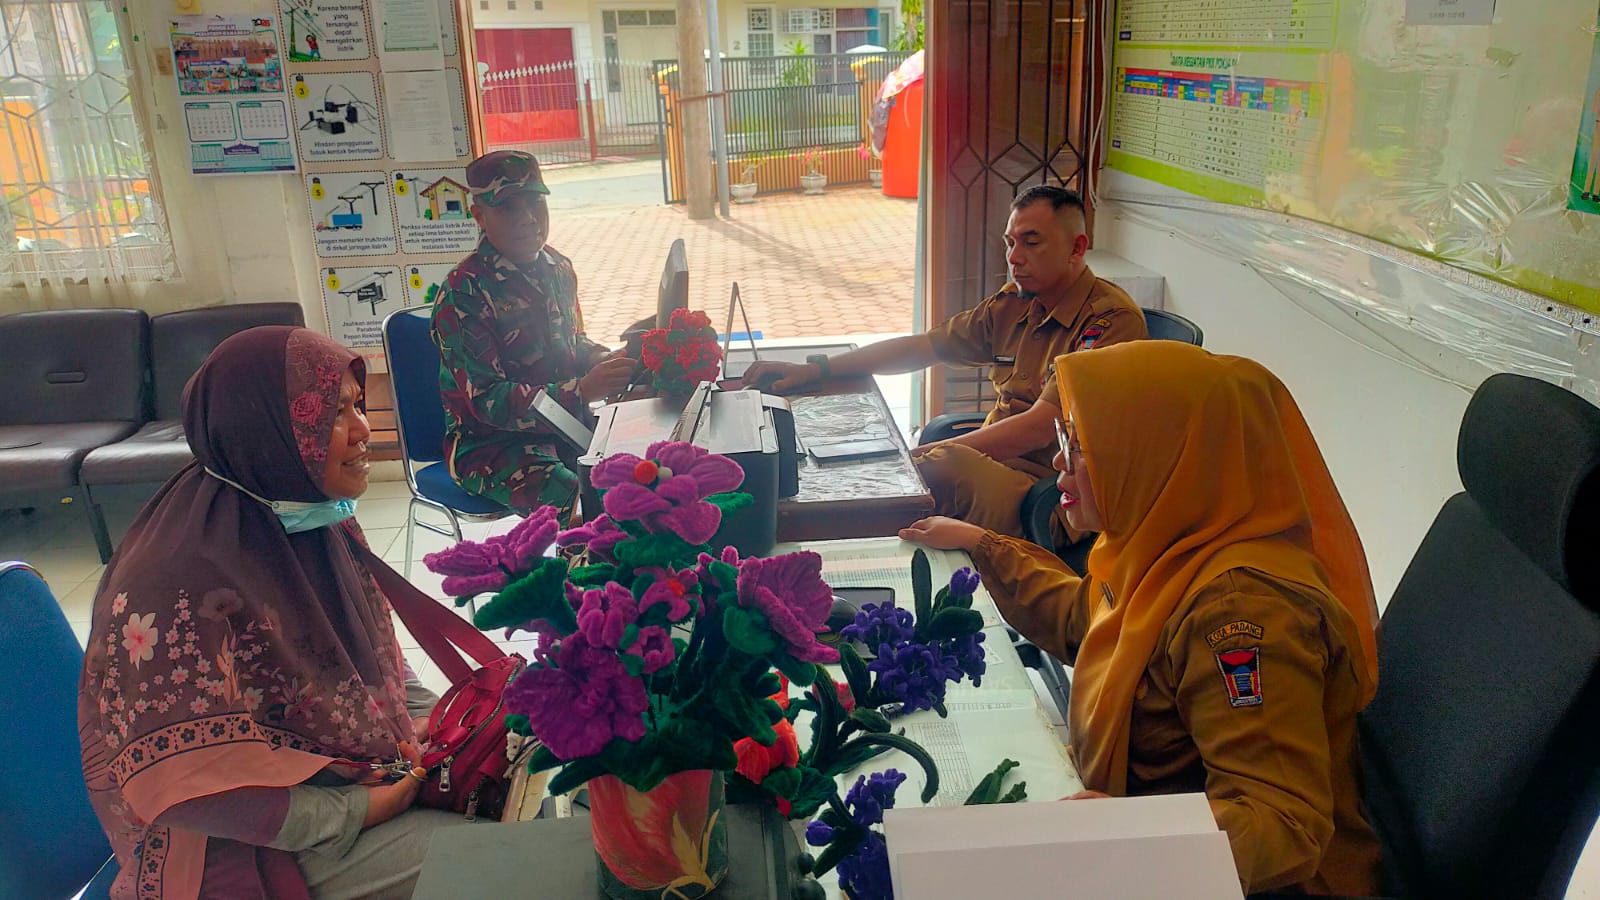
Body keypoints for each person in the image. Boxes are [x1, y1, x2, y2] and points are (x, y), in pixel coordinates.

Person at [899, 341, 1383, 896]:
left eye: (1079, 444)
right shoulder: (1162, 551)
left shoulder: (1240, 611)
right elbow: (1085, 622)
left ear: (1161, 453)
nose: (1059, 462)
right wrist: (983, 546)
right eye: (1063, 438)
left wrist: (1133, 836)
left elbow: (1282, 825)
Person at [79, 326, 469, 899]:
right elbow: (189, 791)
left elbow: (373, 658)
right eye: (335, 415)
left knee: (515, 785)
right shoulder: (175, 583)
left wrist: (443, 723)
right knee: (491, 857)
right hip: (240, 847)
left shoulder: (310, 514)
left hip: (342, 784)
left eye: (358, 406)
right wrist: (355, 811)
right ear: (266, 428)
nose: (364, 430)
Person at [741, 185, 1146, 543]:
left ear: (1076, 248)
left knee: (921, 472)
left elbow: (1038, 428)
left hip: (1054, 495)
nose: (1014, 257)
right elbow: (925, 347)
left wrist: (917, 457)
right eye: (1009, 243)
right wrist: (818, 370)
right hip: (994, 471)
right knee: (867, 461)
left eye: (1031, 242)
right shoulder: (1016, 304)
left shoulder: (1109, 323)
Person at [431, 150, 635, 517]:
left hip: (566, 428)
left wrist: (603, 359)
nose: (527, 218)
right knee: (591, 504)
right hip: (492, 446)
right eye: (508, 207)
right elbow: (487, 401)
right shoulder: (464, 292)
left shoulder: (558, 268)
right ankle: (582, 556)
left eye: (535, 202)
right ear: (480, 216)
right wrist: (582, 390)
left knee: (641, 474)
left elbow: (571, 343)